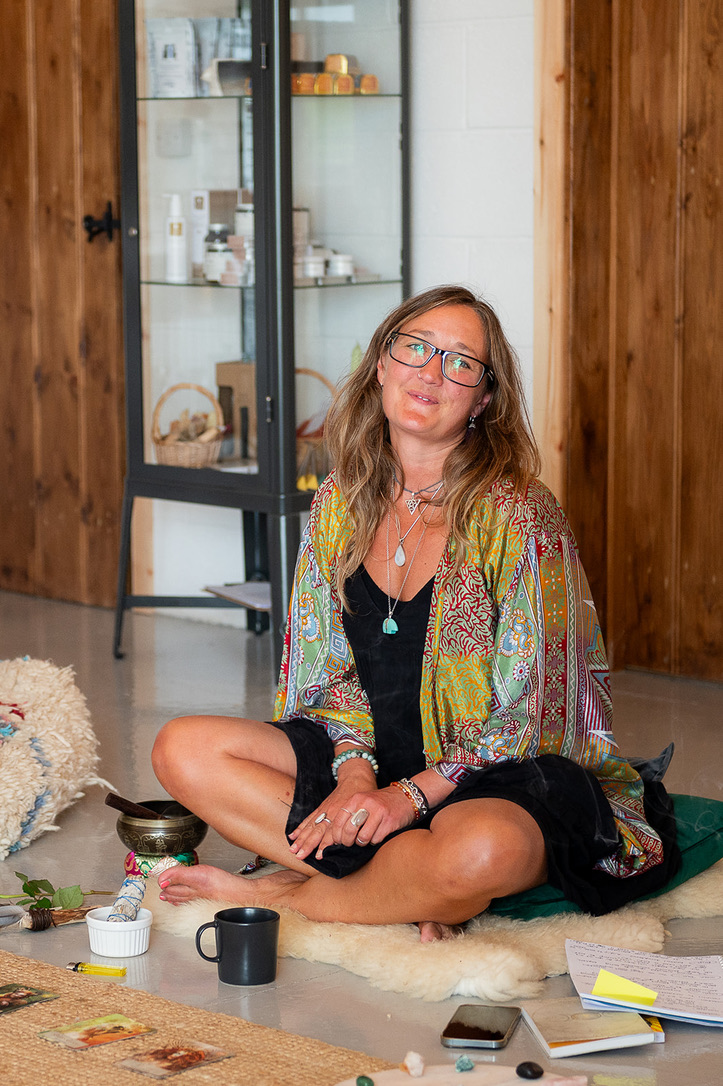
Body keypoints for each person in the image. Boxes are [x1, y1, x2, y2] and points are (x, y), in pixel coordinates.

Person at [152, 285, 680, 937]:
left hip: (493, 772)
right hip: (373, 751)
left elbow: (536, 710)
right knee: (183, 748)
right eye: (415, 349)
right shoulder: (338, 504)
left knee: (481, 850)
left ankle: (296, 894)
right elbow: (325, 679)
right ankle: (412, 888)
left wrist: (410, 797)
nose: (430, 372)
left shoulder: (519, 513)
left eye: (460, 361)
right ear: (381, 365)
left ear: (483, 399)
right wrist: (352, 778)